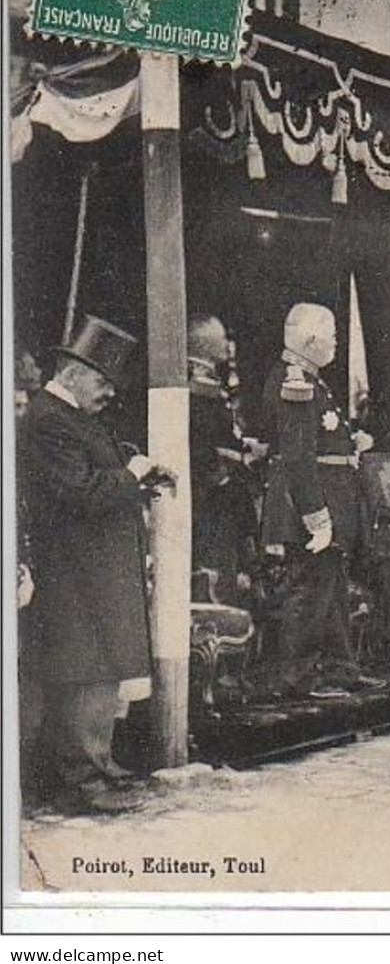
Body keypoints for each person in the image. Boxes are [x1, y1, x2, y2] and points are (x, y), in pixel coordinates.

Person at [19, 317, 171, 815]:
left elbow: (98, 470)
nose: (109, 392)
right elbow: (81, 492)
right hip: (74, 572)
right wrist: (132, 474)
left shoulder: (73, 417)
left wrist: (136, 471)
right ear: (74, 373)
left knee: (100, 668)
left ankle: (98, 765)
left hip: (95, 570)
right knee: (84, 669)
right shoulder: (47, 419)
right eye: (103, 381)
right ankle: (82, 778)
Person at [260, 303, 381, 698]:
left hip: (327, 500)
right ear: (311, 341)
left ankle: (340, 668)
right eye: (331, 336)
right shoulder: (296, 382)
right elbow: (297, 457)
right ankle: (299, 677)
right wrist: (317, 517)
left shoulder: (311, 379)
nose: (335, 342)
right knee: (311, 589)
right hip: (308, 505)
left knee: (331, 585)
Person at [187, 314, 263, 605]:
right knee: (215, 567)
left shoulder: (211, 381)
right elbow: (203, 442)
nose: (227, 345)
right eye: (221, 339)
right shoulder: (198, 386)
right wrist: (233, 463)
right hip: (210, 493)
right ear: (206, 345)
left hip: (222, 492)